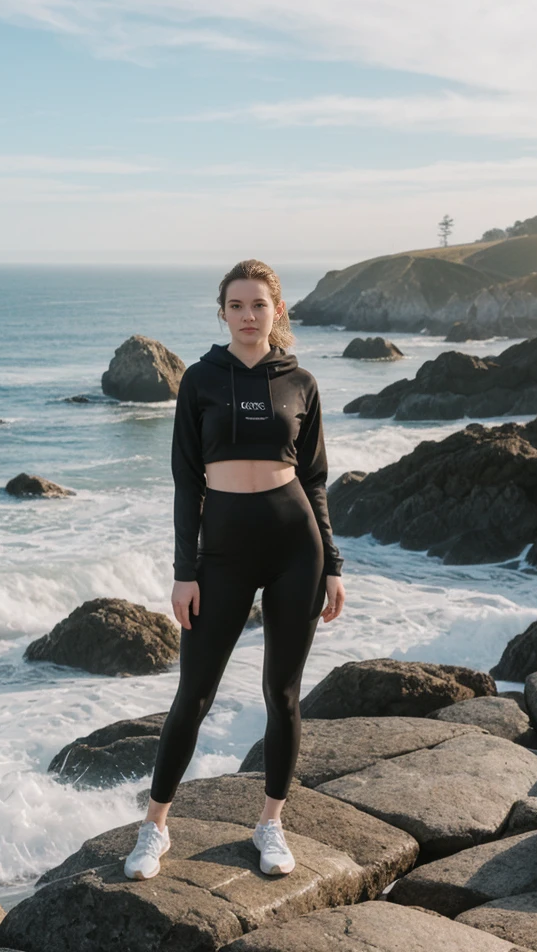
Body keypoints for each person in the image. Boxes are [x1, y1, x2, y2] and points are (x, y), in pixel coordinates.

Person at [124, 259, 345, 880]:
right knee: (193, 693)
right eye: (237, 305)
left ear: (277, 312)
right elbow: (185, 479)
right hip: (219, 550)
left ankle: (271, 822)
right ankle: (154, 828)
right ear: (222, 311)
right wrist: (183, 569)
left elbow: (316, 479)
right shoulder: (199, 379)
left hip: (292, 544)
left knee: (282, 693)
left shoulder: (300, 381)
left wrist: (332, 561)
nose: (249, 316)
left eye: (259, 305)